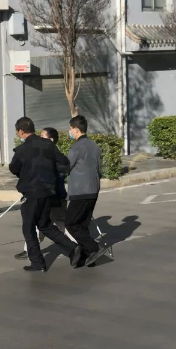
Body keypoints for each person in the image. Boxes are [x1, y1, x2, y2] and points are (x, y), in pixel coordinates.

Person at [9, 117, 81, 272]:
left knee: (28, 227)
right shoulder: (48, 145)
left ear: (21, 131)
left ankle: (37, 262)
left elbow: (14, 168)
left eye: (17, 131)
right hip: (49, 191)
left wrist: (27, 172)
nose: (17, 134)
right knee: (44, 225)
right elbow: (64, 163)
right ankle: (73, 248)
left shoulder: (22, 150)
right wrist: (51, 174)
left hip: (33, 193)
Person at [66, 115, 108, 268]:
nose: (70, 132)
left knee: (71, 223)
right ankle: (88, 257)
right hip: (93, 189)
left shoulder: (76, 147)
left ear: (76, 130)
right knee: (83, 225)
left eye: (70, 129)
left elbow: (66, 166)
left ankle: (94, 248)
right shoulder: (94, 146)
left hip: (80, 191)